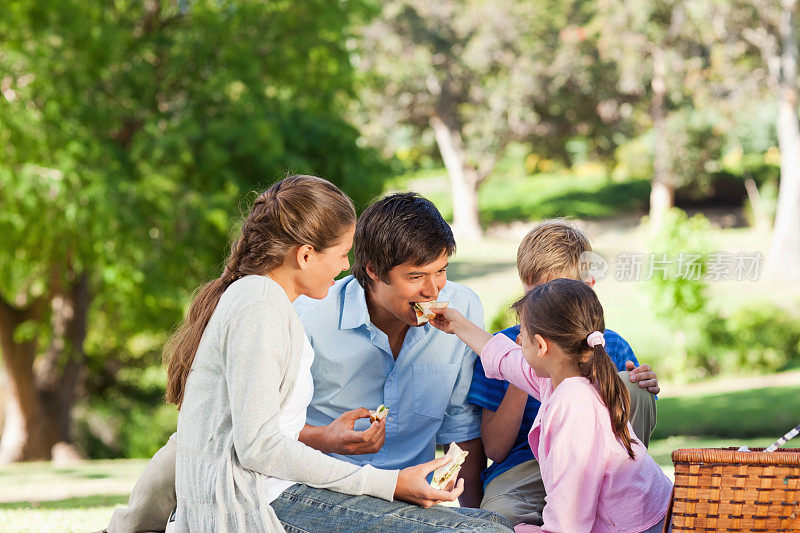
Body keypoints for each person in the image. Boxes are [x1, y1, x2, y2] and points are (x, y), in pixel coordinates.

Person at [110, 175, 510, 532]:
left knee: (492, 523)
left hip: (299, 493)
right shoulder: (264, 307)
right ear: (305, 255)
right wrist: (388, 483)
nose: (343, 268)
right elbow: (249, 444)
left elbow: (237, 428)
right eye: (341, 255)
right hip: (275, 499)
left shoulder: (264, 302)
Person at [431, 279, 673, 532]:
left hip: (636, 527)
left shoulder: (573, 408)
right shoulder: (567, 376)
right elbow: (505, 358)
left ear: (541, 346)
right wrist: (455, 323)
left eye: (522, 338)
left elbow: (570, 517)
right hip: (637, 515)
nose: (518, 344)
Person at [295, 192, 487, 507]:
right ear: (373, 270)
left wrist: (472, 517)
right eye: (415, 277)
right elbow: (268, 433)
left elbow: (460, 424)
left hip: (414, 505)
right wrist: (326, 438)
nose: (432, 290)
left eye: (440, 270)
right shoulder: (308, 317)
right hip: (326, 495)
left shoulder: (463, 309)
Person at [468, 220, 660, 526]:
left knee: (633, 386)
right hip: (524, 468)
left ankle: (618, 498)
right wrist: (527, 368)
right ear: (527, 286)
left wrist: (641, 384)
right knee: (499, 517)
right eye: (547, 294)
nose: (558, 305)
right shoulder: (506, 346)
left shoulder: (610, 345)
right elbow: (496, 449)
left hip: (597, 466)